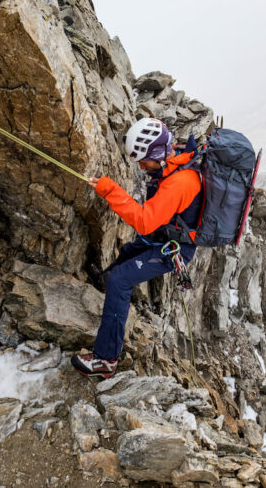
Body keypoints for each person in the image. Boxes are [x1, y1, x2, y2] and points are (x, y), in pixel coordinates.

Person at [71, 118, 203, 378]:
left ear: (158, 154)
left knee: (122, 280)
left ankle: (105, 360)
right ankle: (104, 284)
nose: (142, 168)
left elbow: (144, 221)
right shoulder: (173, 158)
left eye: (144, 162)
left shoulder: (180, 183)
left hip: (175, 250)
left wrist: (110, 190)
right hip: (165, 236)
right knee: (129, 252)